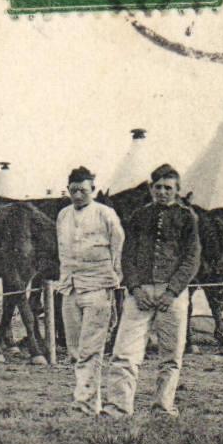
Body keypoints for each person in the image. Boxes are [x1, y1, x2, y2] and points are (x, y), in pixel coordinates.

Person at [107, 164, 201, 418]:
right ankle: (118, 407)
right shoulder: (138, 217)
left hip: (173, 297)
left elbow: (191, 259)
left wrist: (172, 291)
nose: (162, 192)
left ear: (177, 190)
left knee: (170, 356)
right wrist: (136, 288)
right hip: (140, 295)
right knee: (125, 353)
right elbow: (127, 256)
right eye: (158, 187)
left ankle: (163, 407)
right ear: (151, 189)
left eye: (168, 188)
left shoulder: (187, 218)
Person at [55, 166, 124, 415]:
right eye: (73, 190)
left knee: (90, 349)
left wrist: (113, 278)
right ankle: (87, 401)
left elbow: (118, 246)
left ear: (93, 189)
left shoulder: (106, 214)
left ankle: (84, 405)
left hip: (97, 289)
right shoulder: (63, 215)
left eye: (83, 190)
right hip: (70, 288)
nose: (77, 195)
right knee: (74, 350)